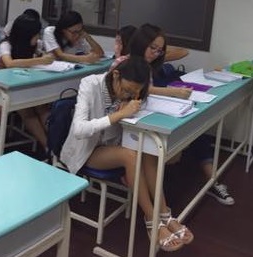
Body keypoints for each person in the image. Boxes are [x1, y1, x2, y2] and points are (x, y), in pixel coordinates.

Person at [60, 57, 194, 252]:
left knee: (149, 151)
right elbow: (79, 129)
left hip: (113, 145)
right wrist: (118, 115)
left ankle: (165, 214)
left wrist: (131, 108)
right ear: (116, 75)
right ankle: (152, 220)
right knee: (130, 156)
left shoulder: (133, 93)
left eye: (134, 93)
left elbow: (134, 112)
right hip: (87, 150)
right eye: (127, 90)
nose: (129, 95)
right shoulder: (90, 84)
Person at [128, 23, 235, 205]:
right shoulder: (126, 63)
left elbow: (149, 90)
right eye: (152, 48)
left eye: (159, 50)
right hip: (133, 123)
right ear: (141, 43)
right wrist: (172, 92)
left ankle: (212, 180)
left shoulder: (149, 65)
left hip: (150, 113)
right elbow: (140, 89)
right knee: (167, 149)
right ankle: (158, 206)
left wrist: (160, 53)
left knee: (196, 128)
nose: (156, 53)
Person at [0, 13, 55, 157]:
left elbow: (47, 57)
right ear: (25, 35)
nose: (38, 38)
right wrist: (40, 61)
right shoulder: (6, 45)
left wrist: (45, 57)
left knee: (42, 107)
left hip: (26, 85)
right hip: (5, 89)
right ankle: (48, 147)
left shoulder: (35, 45)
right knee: (27, 111)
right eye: (36, 35)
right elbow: (9, 63)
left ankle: (56, 143)